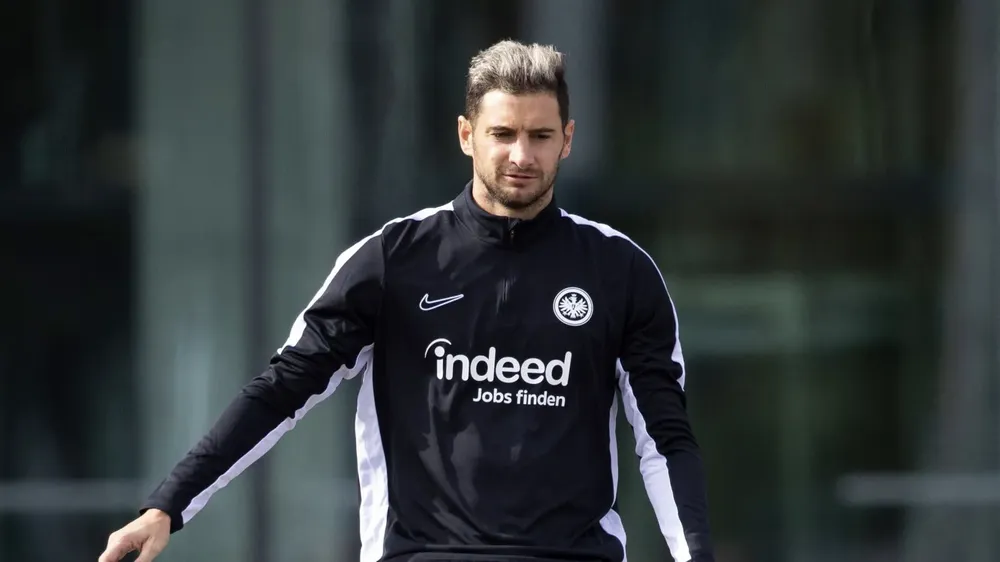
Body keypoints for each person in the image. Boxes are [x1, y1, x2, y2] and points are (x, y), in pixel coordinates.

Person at [98, 39, 715, 562]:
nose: (521, 155)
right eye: (502, 134)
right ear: (466, 134)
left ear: (568, 139)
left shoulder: (620, 269)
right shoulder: (392, 258)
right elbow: (282, 390)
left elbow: (664, 438)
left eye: (540, 135)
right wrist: (169, 504)